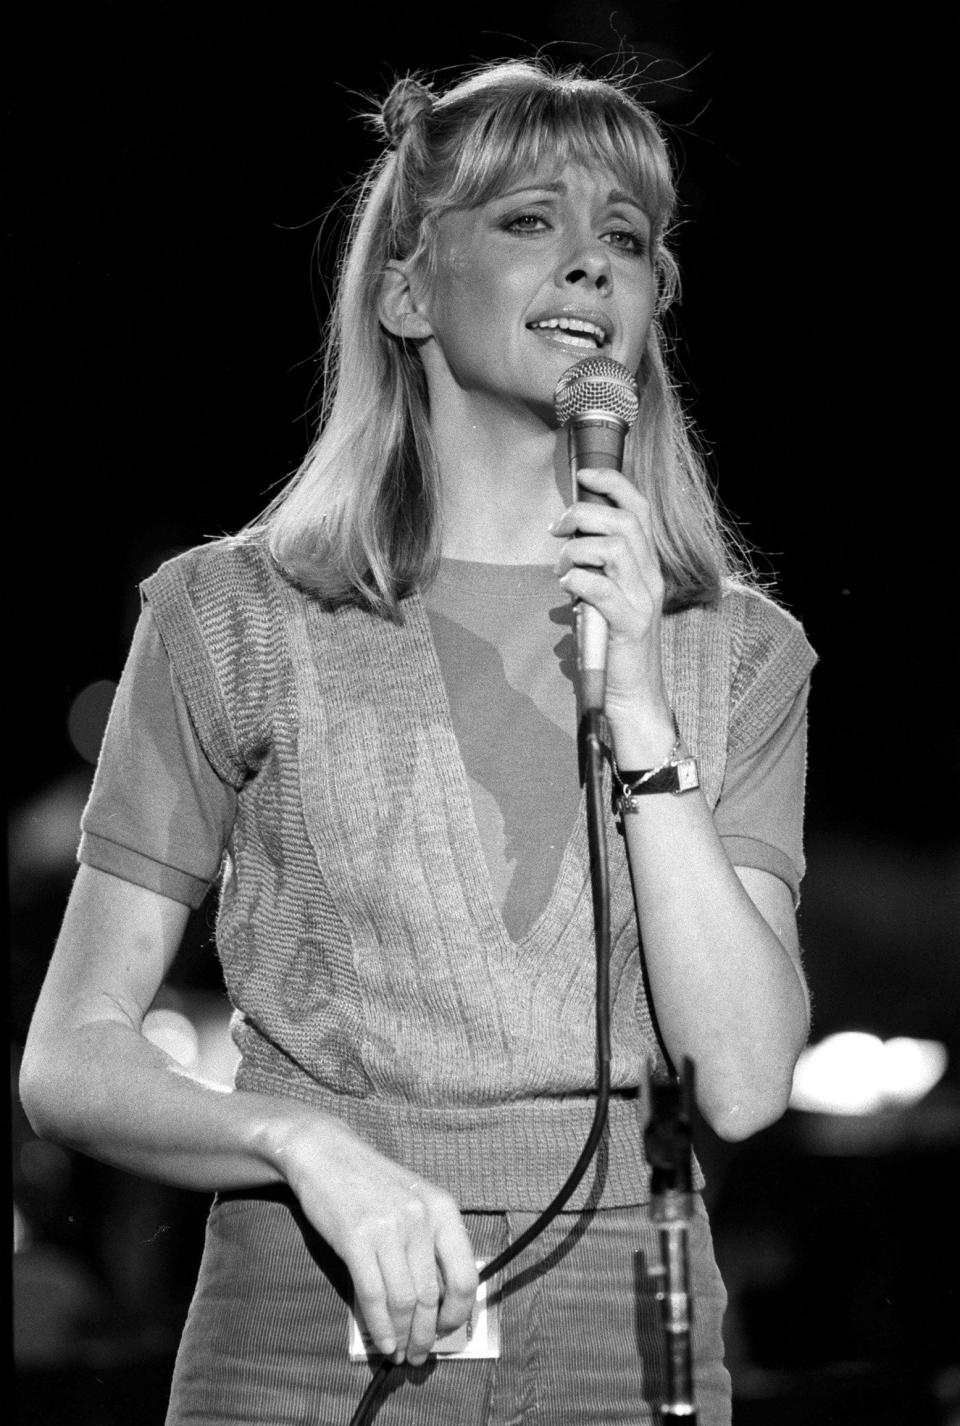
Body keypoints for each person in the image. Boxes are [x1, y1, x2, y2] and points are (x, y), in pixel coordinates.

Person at [20, 57, 816, 1425]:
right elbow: (68, 1058)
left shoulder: (734, 650)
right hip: (303, 1326)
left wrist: (636, 703)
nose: (588, 264)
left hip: (620, 1347)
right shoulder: (232, 615)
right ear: (404, 290)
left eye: (624, 239)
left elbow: (742, 1081)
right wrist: (303, 1138)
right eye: (527, 221)